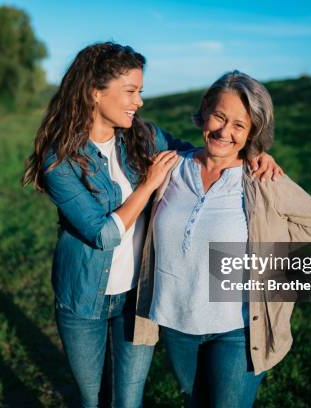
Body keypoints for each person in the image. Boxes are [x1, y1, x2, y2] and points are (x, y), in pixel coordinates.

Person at [23, 42, 283, 407]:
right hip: (83, 299)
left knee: (128, 400)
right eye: (130, 91)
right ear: (95, 93)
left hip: (137, 297)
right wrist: (146, 187)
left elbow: (203, 153)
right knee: (91, 398)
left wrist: (256, 152)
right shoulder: (59, 159)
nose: (139, 101)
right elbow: (103, 234)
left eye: (140, 92)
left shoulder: (143, 136)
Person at [133, 70, 311, 407]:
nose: (225, 131)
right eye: (220, 117)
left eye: (239, 125)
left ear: (253, 132)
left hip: (237, 329)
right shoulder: (171, 167)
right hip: (177, 321)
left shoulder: (259, 177)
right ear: (205, 110)